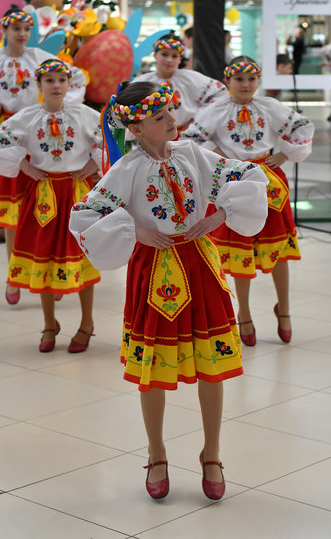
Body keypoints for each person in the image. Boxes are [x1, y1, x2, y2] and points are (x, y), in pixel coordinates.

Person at [69, 81, 268, 500]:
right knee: (153, 371)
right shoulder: (126, 168)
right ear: (136, 129)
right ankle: (156, 451)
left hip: (199, 262)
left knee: (212, 364)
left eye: (170, 112)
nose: (172, 120)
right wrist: (135, 229)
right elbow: (85, 213)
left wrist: (220, 215)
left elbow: (248, 173)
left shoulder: (192, 152)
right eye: (160, 117)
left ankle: (211, 453)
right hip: (154, 271)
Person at [182, 57, 313, 346]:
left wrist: (285, 153)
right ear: (227, 81)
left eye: (252, 79)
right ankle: (244, 312)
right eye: (239, 79)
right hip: (234, 181)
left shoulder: (269, 107)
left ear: (258, 81)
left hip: (268, 181)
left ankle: (284, 309)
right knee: (241, 245)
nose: (246, 85)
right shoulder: (216, 109)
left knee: (277, 249)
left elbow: (302, 125)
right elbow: (191, 137)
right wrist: (217, 153)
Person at [0, 59, 102, 353]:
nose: (56, 85)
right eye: (49, 80)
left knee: (82, 255)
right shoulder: (27, 116)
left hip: (77, 192)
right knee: (42, 257)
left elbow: (112, 139)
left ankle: (86, 323)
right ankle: (48, 324)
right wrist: (23, 165)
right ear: (39, 85)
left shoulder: (85, 114)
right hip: (42, 195)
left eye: (62, 80)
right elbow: (3, 140)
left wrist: (93, 163)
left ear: (70, 84)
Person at [0, 8, 87, 305]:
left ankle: (52, 273)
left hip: (38, 132)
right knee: (14, 216)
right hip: (11, 139)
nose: (23, 34)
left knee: (46, 214)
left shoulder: (38, 57)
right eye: (16, 28)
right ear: (4, 31)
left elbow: (73, 77)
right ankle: (14, 275)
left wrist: (62, 105)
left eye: (27, 28)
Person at [133, 33, 227, 134]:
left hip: (186, 135)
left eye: (174, 56)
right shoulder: (143, 82)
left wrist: (198, 120)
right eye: (164, 54)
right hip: (153, 136)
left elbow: (219, 92)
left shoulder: (189, 78)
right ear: (155, 55)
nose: (169, 60)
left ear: (179, 59)